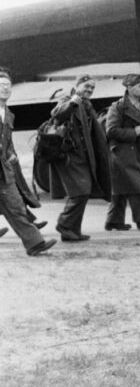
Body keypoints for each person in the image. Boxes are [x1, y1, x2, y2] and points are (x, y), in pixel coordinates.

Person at [46, 75, 112, 242]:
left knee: (85, 191)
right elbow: (56, 114)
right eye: (86, 86)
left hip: (83, 155)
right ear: (77, 85)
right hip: (69, 155)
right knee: (80, 192)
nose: (89, 90)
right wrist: (73, 101)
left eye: (92, 88)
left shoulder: (87, 104)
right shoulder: (68, 99)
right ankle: (65, 224)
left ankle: (73, 230)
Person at [0, 68, 57, 255]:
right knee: (13, 206)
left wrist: (9, 153)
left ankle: (34, 243)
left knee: (15, 206)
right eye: (1, 86)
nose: (5, 89)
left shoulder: (8, 114)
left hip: (3, 171)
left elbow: (5, 141)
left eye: (7, 86)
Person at [103, 73, 140, 232]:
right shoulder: (118, 107)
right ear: (129, 88)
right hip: (122, 154)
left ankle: (113, 221)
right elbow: (111, 131)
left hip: (137, 152)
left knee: (121, 190)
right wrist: (133, 132)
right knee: (136, 186)